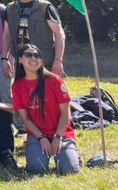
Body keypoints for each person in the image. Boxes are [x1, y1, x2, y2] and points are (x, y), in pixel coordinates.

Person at [11, 44, 80, 175]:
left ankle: (71, 155)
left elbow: (66, 113)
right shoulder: (17, 86)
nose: (33, 58)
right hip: (38, 135)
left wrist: (58, 137)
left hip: (61, 133)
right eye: (28, 55)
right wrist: (41, 138)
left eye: (37, 55)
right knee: (36, 169)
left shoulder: (55, 80)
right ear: (20, 60)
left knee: (69, 170)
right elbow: (25, 119)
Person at [3, 0, 66, 78]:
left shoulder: (45, 7)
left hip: (44, 64)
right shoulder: (9, 9)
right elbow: (6, 35)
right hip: (21, 64)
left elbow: (59, 34)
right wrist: (5, 58)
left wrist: (58, 60)